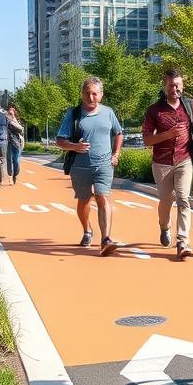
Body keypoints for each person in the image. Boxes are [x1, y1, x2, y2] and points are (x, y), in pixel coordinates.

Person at [56, 76, 124, 256]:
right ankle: (87, 229)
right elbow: (60, 140)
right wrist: (74, 147)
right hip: (80, 166)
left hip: (104, 164)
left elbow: (118, 133)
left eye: (94, 93)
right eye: (87, 93)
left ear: (101, 94)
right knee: (84, 200)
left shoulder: (108, 112)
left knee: (103, 197)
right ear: (82, 94)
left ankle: (106, 239)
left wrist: (116, 154)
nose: (91, 97)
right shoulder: (73, 114)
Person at [142, 69, 193, 260]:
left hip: (184, 160)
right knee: (166, 201)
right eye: (171, 85)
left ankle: (183, 241)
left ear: (182, 86)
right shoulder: (154, 110)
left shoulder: (191, 106)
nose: (174, 88)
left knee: (184, 199)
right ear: (165, 86)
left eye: (177, 85)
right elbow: (146, 139)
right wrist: (167, 135)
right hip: (161, 163)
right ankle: (164, 226)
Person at [6, 105, 25, 185]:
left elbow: (21, 130)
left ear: (14, 112)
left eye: (12, 110)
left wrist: (13, 121)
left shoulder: (17, 121)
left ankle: (15, 174)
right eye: (9, 110)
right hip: (8, 143)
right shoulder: (5, 120)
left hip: (17, 143)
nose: (10, 111)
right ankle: (10, 177)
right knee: (9, 160)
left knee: (16, 161)